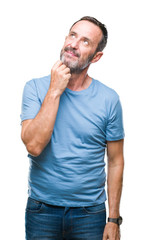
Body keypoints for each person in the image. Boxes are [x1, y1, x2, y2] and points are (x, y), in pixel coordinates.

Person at [21, 16, 124, 240]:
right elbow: (34, 145)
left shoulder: (109, 99)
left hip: (90, 214)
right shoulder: (36, 89)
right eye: (72, 35)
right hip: (41, 211)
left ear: (96, 56)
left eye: (85, 41)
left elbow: (115, 160)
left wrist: (114, 219)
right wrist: (55, 90)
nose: (74, 44)